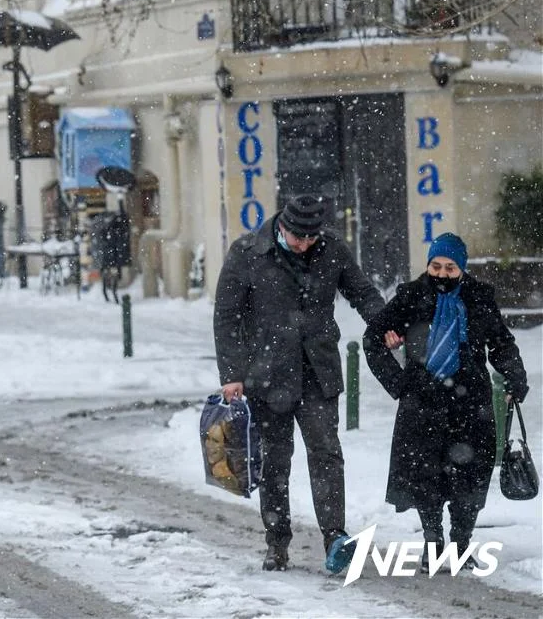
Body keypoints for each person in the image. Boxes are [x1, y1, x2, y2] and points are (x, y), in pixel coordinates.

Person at [213, 194, 385, 572]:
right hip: (266, 375)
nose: (304, 245)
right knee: (275, 462)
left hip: (317, 372)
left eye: (311, 238)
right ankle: (277, 543)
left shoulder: (332, 250)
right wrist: (232, 375)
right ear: (282, 226)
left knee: (326, 453)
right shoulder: (247, 253)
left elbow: (361, 292)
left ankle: (335, 538)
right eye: (297, 238)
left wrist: (386, 323)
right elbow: (226, 317)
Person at [362, 233, 528, 569]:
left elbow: (500, 343)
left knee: (470, 476)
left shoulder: (479, 298)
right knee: (427, 476)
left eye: (450, 267)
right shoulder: (410, 296)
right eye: (435, 265)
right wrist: (398, 382)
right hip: (423, 401)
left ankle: (462, 545)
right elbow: (373, 339)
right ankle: (433, 544)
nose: (441, 273)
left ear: (462, 269)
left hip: (471, 403)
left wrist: (515, 376)